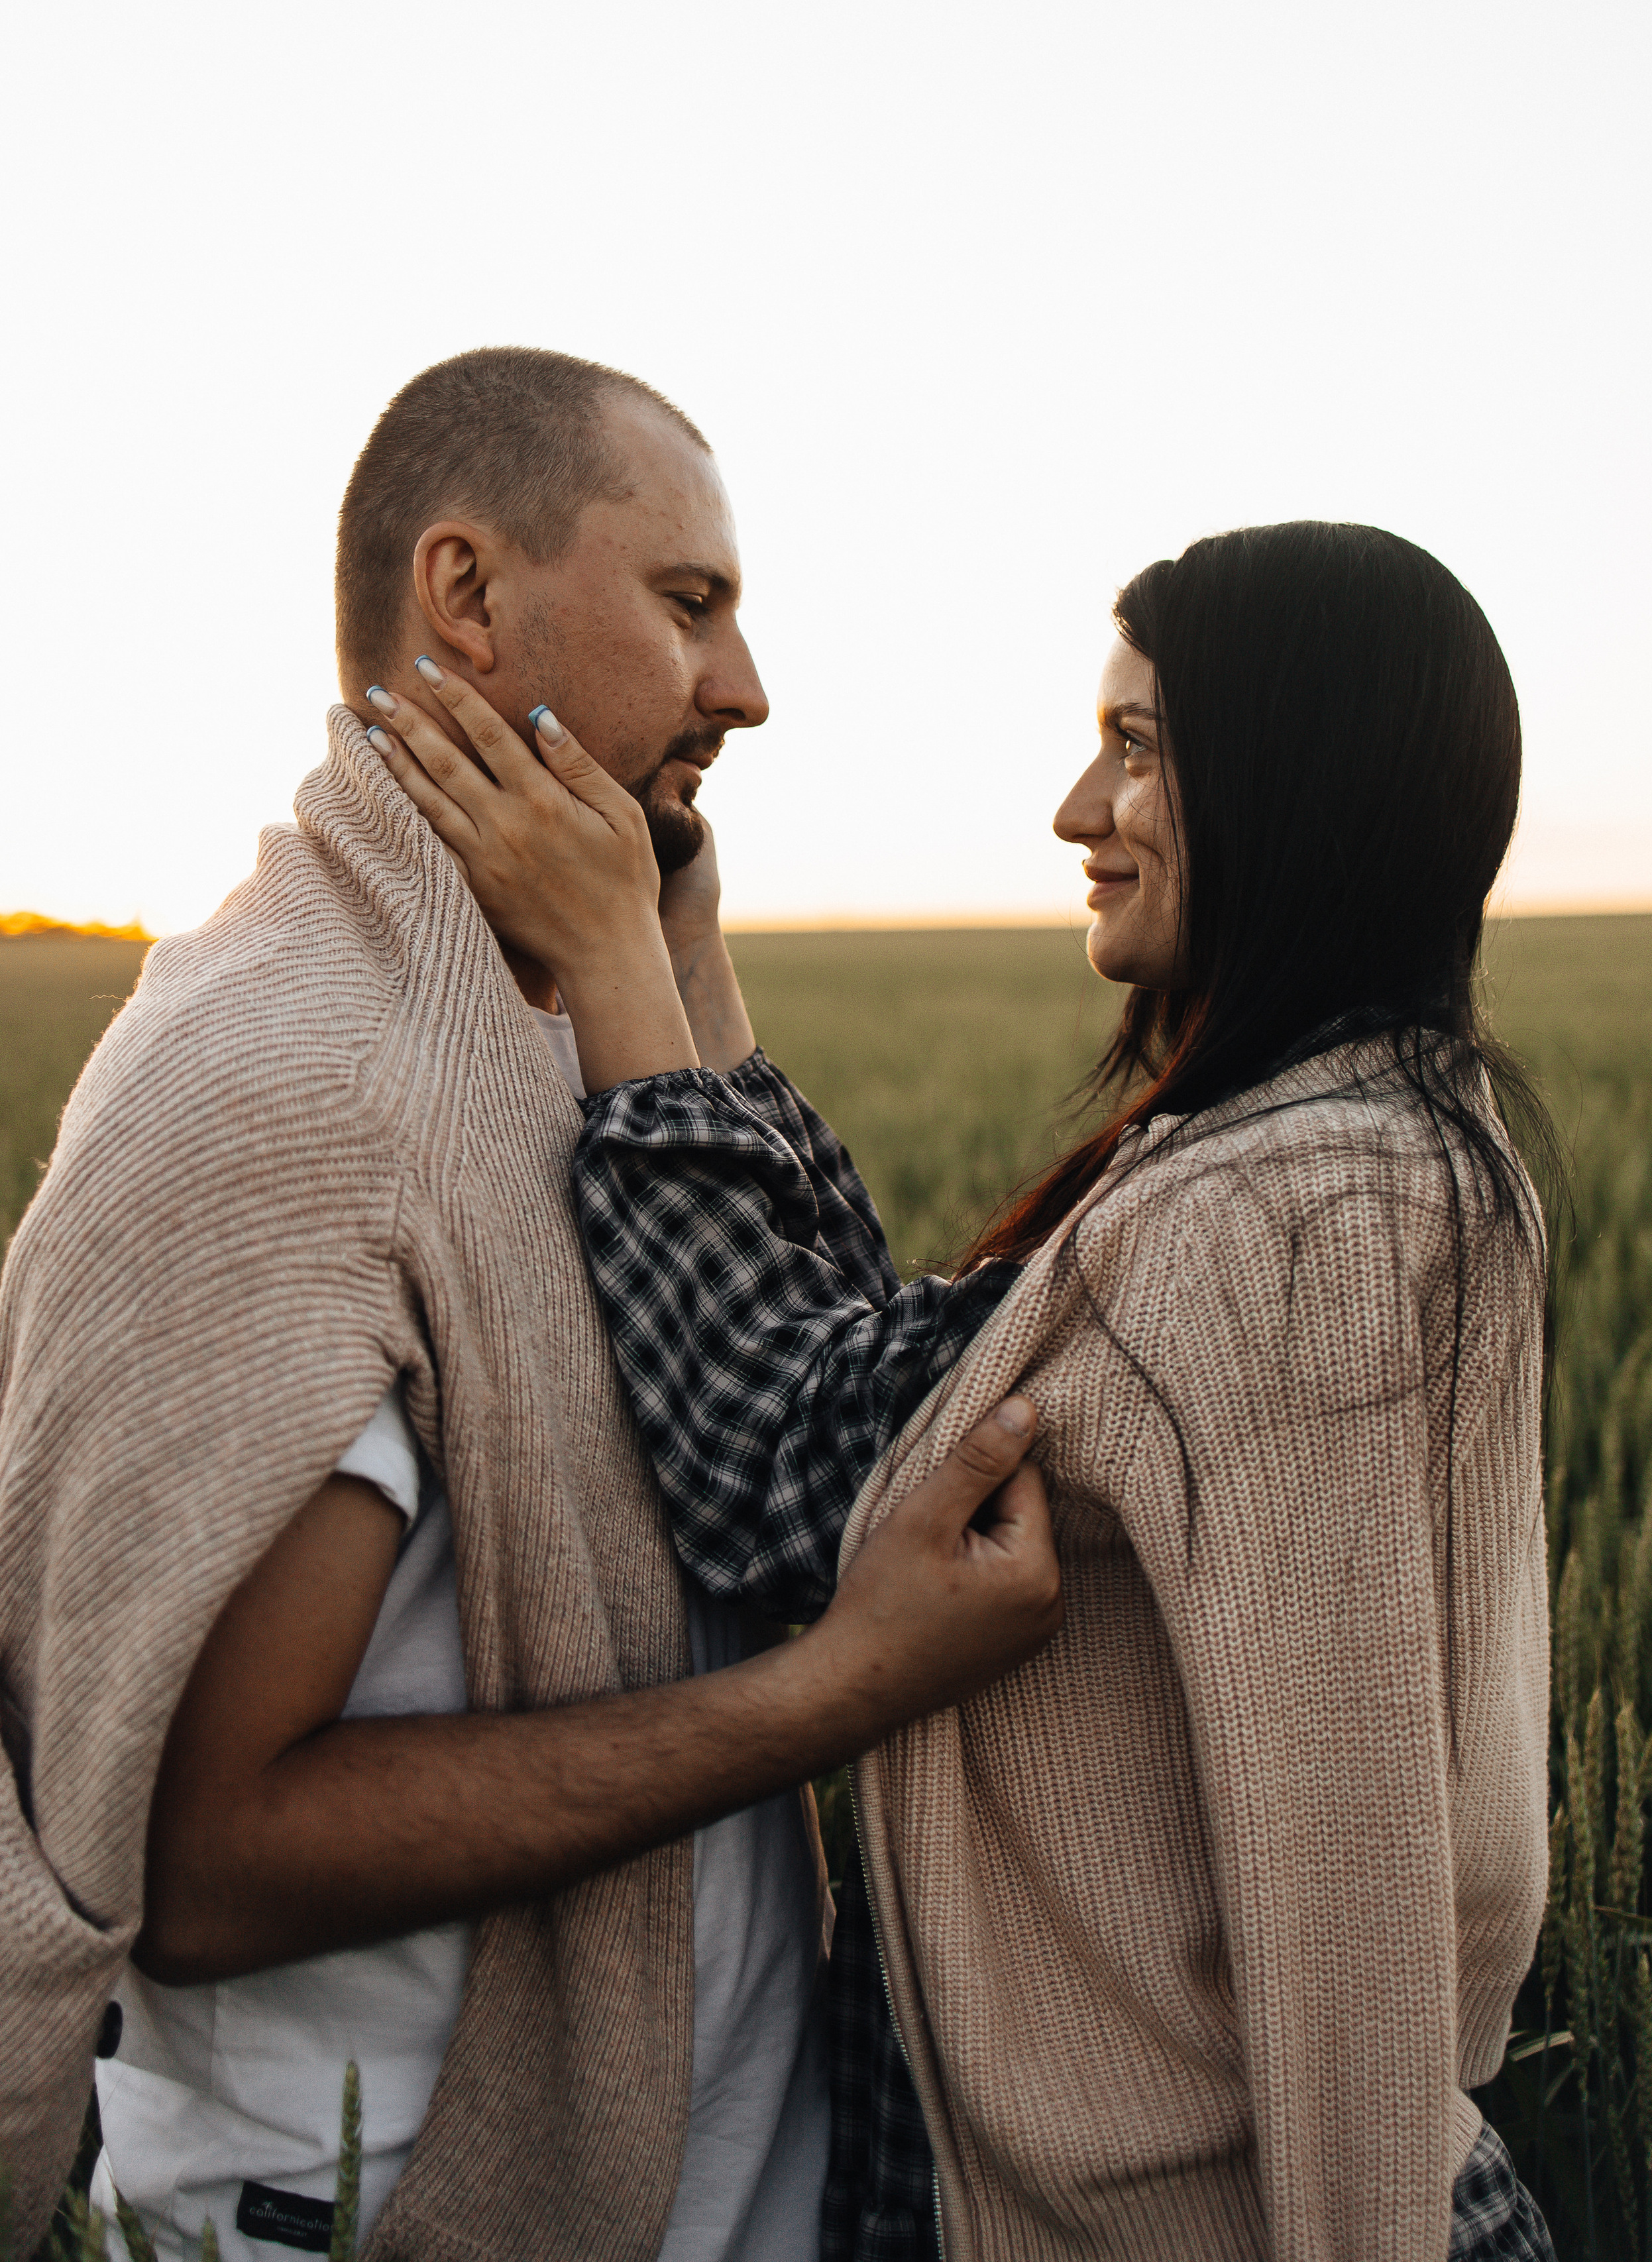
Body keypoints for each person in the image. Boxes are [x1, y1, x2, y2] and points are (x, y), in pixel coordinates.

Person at [368, 517, 1557, 2262]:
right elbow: (907, 1372)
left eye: (1138, 748)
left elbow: (784, 1478)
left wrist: (610, 970)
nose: (1080, 810)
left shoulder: (1291, 1222)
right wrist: (684, 956)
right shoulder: (1364, 1152)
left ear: (1299, 779)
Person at [0, 347, 1064, 2262]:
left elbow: (795, 1382)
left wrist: (673, 938)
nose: (746, 689)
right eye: (690, 605)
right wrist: (829, 1697)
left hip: (725, 2183)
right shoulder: (294, 1085)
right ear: (468, 595)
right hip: (386, 2206)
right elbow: (213, 1858)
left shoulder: (569, 1013)